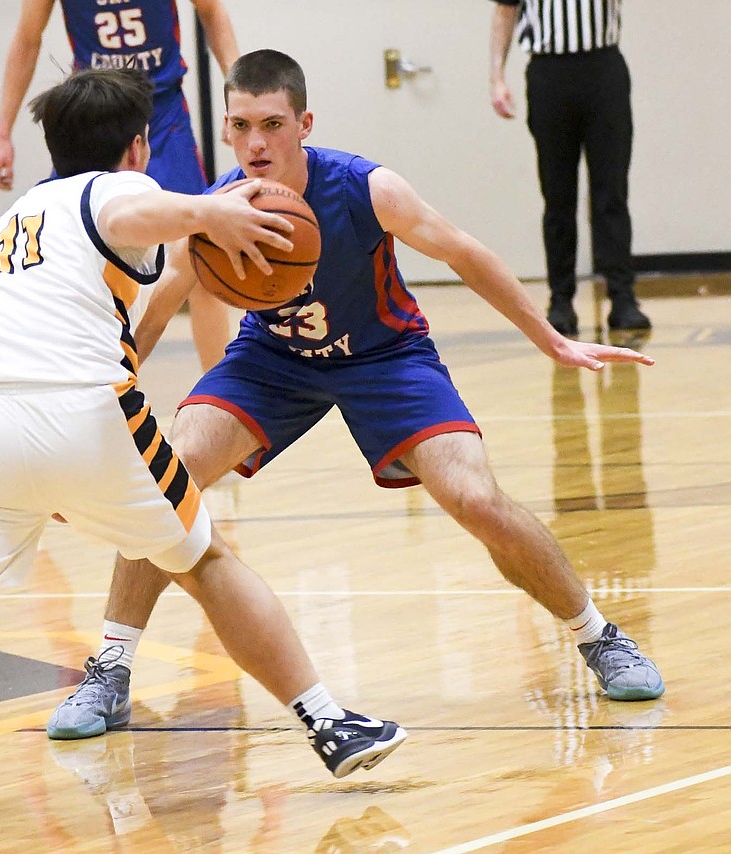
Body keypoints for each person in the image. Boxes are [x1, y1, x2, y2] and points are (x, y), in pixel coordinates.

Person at [0, 67, 406, 850]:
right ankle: (330, 723)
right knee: (207, 562)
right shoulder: (107, 194)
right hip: (84, 412)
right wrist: (212, 211)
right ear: (138, 144)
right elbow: (135, 206)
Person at [46, 48, 665, 743]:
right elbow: (153, 316)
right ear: (226, 130)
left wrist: (552, 339)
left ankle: (598, 634)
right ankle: (111, 670)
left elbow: (461, 251)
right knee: (167, 483)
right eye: (242, 125)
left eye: (273, 124)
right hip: (272, 361)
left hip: (385, 356)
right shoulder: (212, 212)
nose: (256, 143)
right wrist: (89, 415)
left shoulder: (367, 189)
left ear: (304, 123)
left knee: (476, 499)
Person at [0, 0, 239, 371]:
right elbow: (28, 38)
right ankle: (64, 373)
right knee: (71, 250)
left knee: (202, 252)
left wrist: (236, 98)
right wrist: (2, 133)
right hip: (95, 110)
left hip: (161, 108)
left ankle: (220, 388)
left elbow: (213, 12)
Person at [488, 0, 651, 336]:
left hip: (603, 69)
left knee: (612, 193)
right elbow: (505, 12)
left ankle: (623, 299)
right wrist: (497, 77)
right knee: (558, 197)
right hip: (549, 74)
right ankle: (561, 300)